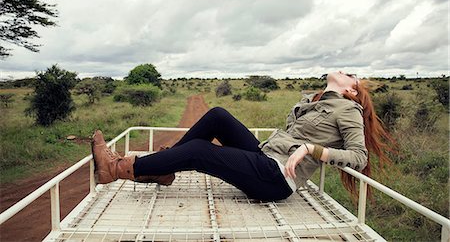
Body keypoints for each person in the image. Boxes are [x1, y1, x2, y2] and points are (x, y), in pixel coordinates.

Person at [91, 71, 396, 201]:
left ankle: (116, 169)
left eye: (351, 74)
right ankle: (163, 169)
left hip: (276, 179)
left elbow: (359, 157)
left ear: (351, 90)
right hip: (265, 157)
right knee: (218, 115)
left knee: (199, 150)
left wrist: (311, 149)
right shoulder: (313, 103)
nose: (344, 71)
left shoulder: (348, 110)